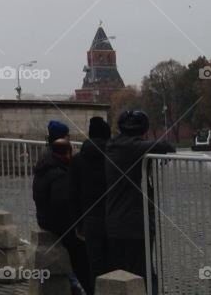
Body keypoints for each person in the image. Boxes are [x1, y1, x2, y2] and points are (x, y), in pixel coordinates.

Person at [104, 110, 175, 283]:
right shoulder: (133, 147)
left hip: (115, 220)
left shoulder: (113, 145)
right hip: (134, 223)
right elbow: (165, 146)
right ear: (142, 130)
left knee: (123, 271)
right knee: (144, 274)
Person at [33, 137, 89, 293]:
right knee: (80, 250)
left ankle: (74, 280)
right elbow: (62, 207)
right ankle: (80, 284)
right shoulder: (59, 174)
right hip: (57, 222)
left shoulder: (44, 167)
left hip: (44, 218)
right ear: (67, 153)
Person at [70, 116, 112, 295]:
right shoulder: (114, 158)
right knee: (115, 263)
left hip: (90, 219)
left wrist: (77, 224)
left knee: (95, 264)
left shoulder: (78, 160)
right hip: (113, 217)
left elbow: (73, 195)